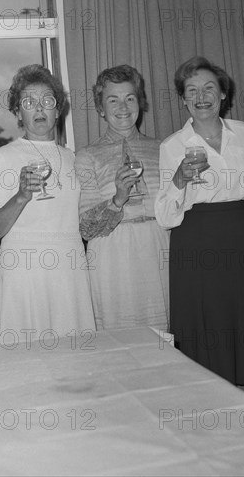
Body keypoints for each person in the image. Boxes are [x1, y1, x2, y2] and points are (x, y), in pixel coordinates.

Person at [155, 56, 244, 388]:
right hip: (195, 238)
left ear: (223, 94)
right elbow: (164, 215)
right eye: (192, 90)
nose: (201, 97)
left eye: (209, 88)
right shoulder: (172, 145)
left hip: (239, 231)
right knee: (207, 329)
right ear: (183, 98)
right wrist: (178, 179)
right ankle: (212, 410)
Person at [0, 64, 95, 343]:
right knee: (29, 362)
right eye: (29, 102)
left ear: (59, 109)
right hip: (25, 273)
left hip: (70, 271)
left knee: (76, 359)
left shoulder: (73, 159)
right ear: (18, 113)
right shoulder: (2, 158)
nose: (40, 108)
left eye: (47, 101)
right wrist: (20, 196)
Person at [74, 65, 169, 331]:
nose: (123, 107)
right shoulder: (86, 157)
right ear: (101, 108)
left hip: (158, 248)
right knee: (120, 341)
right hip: (111, 254)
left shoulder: (164, 149)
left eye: (129, 98)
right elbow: (86, 227)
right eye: (112, 100)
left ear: (140, 102)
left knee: (163, 338)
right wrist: (117, 199)